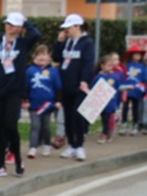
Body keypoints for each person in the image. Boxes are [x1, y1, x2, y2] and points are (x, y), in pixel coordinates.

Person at [0, 10, 41, 179]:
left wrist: (26, 22)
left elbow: (37, 35)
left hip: (14, 91)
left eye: (13, 24)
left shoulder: (23, 43)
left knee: (10, 125)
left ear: (19, 27)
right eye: (8, 23)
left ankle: (18, 161)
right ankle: (0, 164)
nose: (9, 27)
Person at [54, 14, 95, 162]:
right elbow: (57, 57)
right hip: (66, 85)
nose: (66, 31)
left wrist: (84, 80)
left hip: (79, 85)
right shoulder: (67, 42)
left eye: (68, 28)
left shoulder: (87, 42)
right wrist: (59, 42)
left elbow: (88, 63)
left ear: (77, 26)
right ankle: (71, 144)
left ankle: (79, 145)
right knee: (68, 116)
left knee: (77, 115)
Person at [25, 46, 62, 158]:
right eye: (39, 55)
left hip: (48, 105)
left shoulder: (54, 72)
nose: (41, 57)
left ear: (49, 57)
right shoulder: (30, 70)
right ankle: (33, 147)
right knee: (35, 126)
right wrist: (25, 100)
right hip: (34, 104)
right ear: (34, 57)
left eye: (44, 54)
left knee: (45, 126)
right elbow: (26, 87)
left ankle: (46, 144)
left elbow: (58, 87)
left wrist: (58, 101)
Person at [93, 52, 123, 143]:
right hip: (102, 103)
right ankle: (107, 132)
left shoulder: (114, 77)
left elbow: (117, 89)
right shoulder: (98, 77)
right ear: (102, 66)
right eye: (108, 65)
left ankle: (105, 134)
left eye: (111, 65)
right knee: (104, 118)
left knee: (109, 118)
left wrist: (118, 102)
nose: (111, 67)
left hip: (112, 102)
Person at [120, 48, 146, 134]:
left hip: (137, 90)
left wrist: (143, 88)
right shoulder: (127, 66)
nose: (137, 56)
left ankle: (135, 124)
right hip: (127, 89)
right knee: (125, 107)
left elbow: (144, 79)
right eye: (135, 54)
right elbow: (123, 76)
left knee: (136, 108)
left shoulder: (143, 67)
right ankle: (124, 124)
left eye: (139, 54)